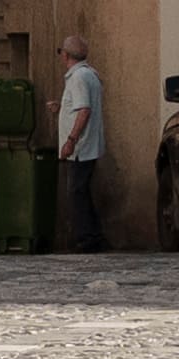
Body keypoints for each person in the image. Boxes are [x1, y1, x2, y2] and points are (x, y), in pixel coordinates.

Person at [55, 39, 111, 261]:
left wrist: (70, 140)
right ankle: (93, 235)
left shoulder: (78, 78)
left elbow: (84, 111)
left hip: (81, 148)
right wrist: (61, 109)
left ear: (66, 55)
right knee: (82, 192)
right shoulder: (89, 75)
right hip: (87, 146)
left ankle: (87, 239)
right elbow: (80, 107)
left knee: (77, 193)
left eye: (61, 52)